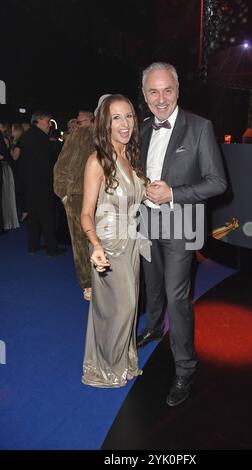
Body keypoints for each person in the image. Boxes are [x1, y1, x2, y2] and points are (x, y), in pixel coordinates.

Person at [137, 62, 227, 407]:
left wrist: (173, 193)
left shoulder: (200, 127)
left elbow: (218, 182)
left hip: (180, 223)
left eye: (168, 90)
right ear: (144, 96)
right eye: (153, 92)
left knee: (178, 297)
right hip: (147, 222)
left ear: (178, 91)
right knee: (152, 283)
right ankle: (152, 327)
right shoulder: (142, 129)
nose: (161, 99)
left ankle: (185, 369)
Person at [81, 94, 148, 387]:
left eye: (129, 116)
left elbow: (138, 198)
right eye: (116, 118)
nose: (125, 124)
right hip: (108, 244)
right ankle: (105, 367)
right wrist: (95, 246)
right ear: (105, 124)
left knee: (129, 307)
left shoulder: (130, 158)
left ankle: (122, 362)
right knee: (118, 308)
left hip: (131, 243)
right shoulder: (97, 161)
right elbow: (85, 213)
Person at [54, 125, 95, 300]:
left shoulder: (121, 134)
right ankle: (87, 284)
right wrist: (64, 194)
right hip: (78, 195)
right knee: (80, 240)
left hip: (108, 198)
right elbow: (61, 165)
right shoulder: (81, 133)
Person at [19, 111, 65, 256]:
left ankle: (33, 245)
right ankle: (52, 248)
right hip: (42, 182)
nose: (50, 124)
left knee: (33, 215)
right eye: (47, 121)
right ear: (38, 121)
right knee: (47, 216)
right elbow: (47, 162)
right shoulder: (40, 138)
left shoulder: (27, 136)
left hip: (29, 182)